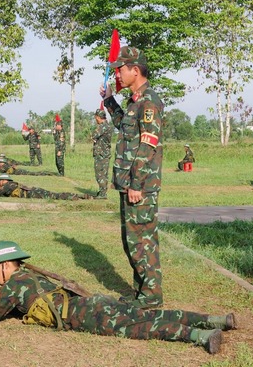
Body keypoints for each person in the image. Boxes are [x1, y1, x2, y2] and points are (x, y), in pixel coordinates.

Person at [0, 241, 236, 354]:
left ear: (4, 265)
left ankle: (200, 336)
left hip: (83, 315)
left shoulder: (13, 284)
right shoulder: (28, 276)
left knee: (140, 328)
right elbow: (18, 300)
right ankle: (216, 319)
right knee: (148, 314)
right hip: (92, 302)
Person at [99, 46, 164, 309]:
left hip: (141, 186)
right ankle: (141, 292)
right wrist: (109, 100)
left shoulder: (148, 103)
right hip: (130, 184)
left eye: (121, 70)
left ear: (135, 70)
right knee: (132, 241)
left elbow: (147, 145)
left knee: (142, 240)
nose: (118, 75)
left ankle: (151, 296)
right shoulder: (135, 102)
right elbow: (124, 127)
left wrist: (137, 183)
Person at [0, 174, 92, 200]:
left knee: (55, 196)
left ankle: (72, 197)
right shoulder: (11, 184)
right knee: (55, 195)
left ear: (3, 180)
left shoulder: (7, 185)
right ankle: (80, 196)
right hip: (34, 191)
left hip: (32, 194)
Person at [91, 108, 113, 199]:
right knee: (102, 174)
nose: (95, 119)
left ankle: (103, 194)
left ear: (98, 117)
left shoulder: (103, 126)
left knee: (100, 174)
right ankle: (102, 191)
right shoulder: (106, 126)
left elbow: (94, 135)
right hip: (103, 153)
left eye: (96, 117)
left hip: (102, 154)